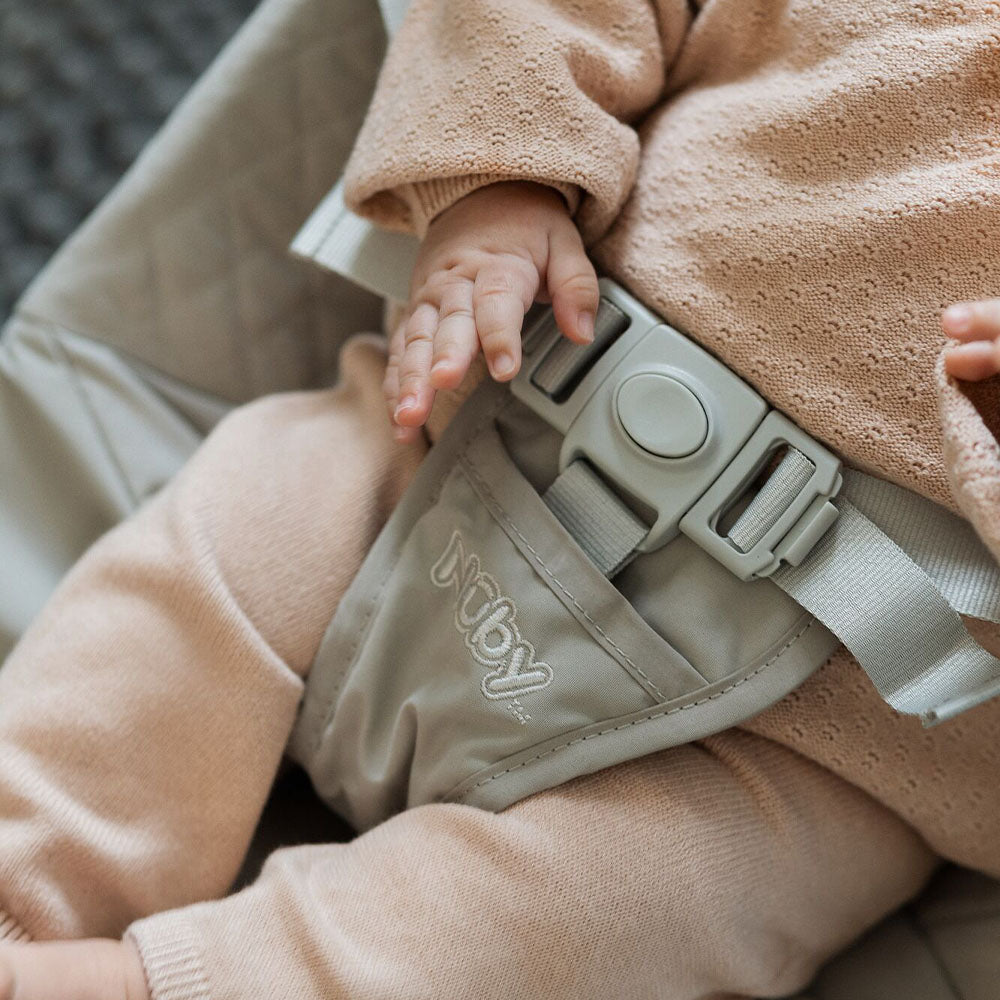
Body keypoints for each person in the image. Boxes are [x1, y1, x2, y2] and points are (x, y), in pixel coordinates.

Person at [3, 1, 1000, 997]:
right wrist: (499, 177)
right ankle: (20, 884)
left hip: (829, 738)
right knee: (205, 583)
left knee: (595, 921)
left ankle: (155, 985)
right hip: (475, 434)